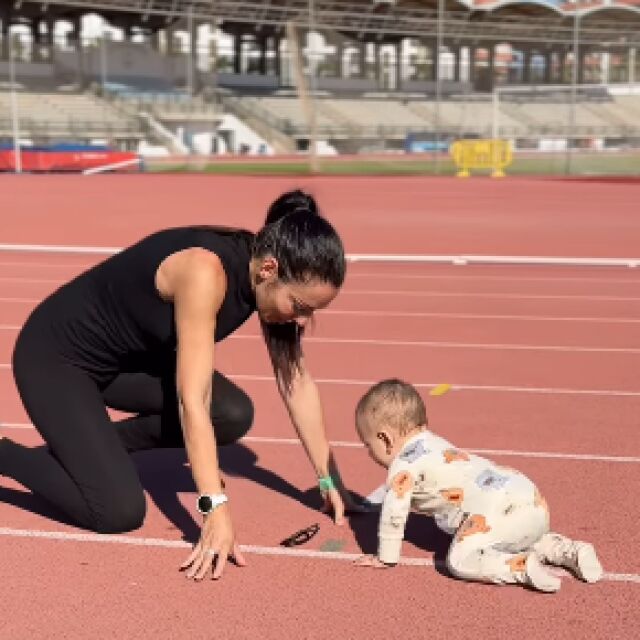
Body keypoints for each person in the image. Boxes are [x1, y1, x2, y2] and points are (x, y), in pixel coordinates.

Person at [0, 189, 357, 581]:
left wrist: (328, 480)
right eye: (301, 306)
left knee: (233, 414)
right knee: (117, 512)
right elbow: (192, 400)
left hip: (125, 364)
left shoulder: (268, 284)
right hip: (58, 359)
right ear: (269, 269)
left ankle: (89, 451)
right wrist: (214, 506)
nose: (301, 320)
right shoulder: (205, 272)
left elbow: (297, 383)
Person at [353, 379, 603, 592]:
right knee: (519, 534)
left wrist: (385, 556)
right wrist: (365, 503)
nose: (368, 452)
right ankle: (568, 550)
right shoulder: (432, 442)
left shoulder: (403, 464)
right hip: (527, 493)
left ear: (385, 438)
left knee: (460, 561)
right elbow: (392, 491)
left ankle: (519, 567)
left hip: (494, 509)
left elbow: (395, 511)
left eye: (367, 445)